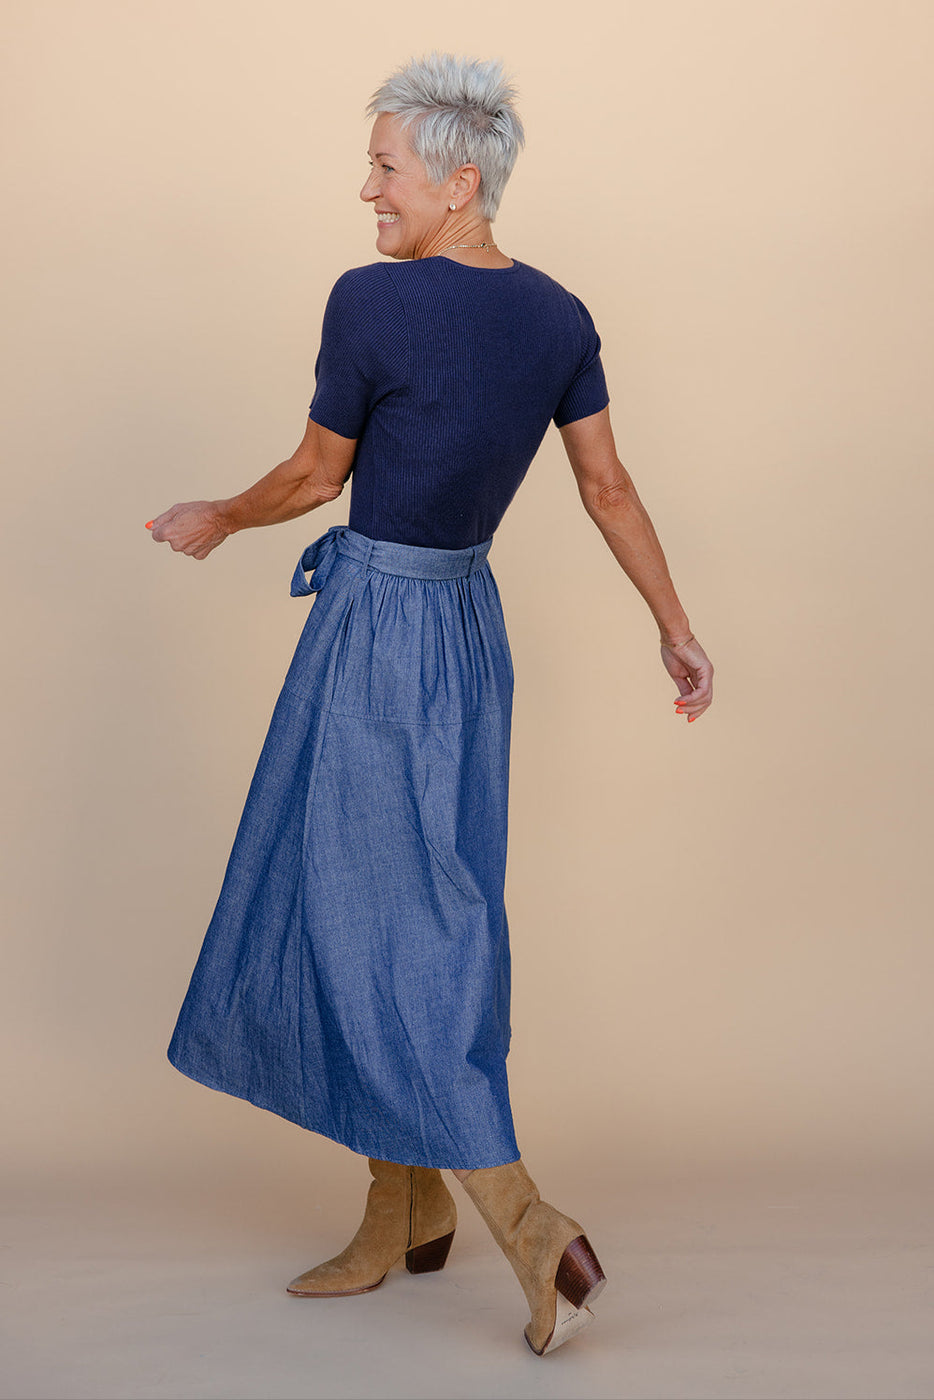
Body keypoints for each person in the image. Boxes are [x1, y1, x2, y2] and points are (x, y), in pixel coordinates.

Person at [148, 50, 713, 1358]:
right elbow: (607, 490)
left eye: (386, 169)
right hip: (469, 633)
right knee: (419, 910)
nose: (366, 192)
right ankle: (399, 1218)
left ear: (461, 184)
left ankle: (525, 1223)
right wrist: (675, 633)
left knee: (372, 919)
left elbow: (311, 474)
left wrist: (219, 518)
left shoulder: (371, 305)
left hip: (377, 638)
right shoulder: (561, 317)